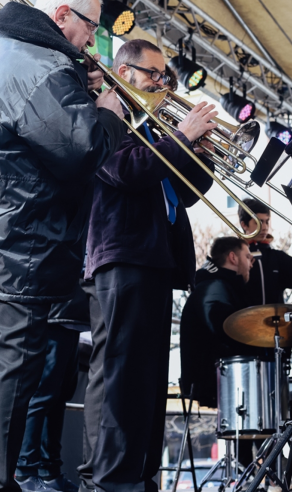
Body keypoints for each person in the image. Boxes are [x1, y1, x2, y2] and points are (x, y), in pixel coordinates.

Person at [0, 0, 125, 492]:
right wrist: (109, 115)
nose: (93, 40)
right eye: (91, 27)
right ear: (64, 16)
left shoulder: (7, 48)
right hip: (15, 244)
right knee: (11, 373)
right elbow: (82, 150)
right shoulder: (42, 65)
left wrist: (78, 91)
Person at [79, 38, 218, 492]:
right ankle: (107, 479)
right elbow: (125, 171)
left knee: (150, 378)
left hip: (155, 259)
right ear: (125, 70)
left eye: (164, 74)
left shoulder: (152, 125)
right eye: (153, 72)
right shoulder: (107, 110)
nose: (162, 81)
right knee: (118, 373)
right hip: (122, 255)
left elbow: (191, 189)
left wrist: (199, 150)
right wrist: (182, 138)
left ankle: (141, 473)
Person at [15, 280, 90, 492]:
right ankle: (25, 474)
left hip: (71, 316)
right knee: (42, 395)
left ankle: (49, 473)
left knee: (58, 397)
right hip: (55, 311)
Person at [180, 236, 255, 409]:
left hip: (221, 378)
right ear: (233, 258)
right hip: (217, 380)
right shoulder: (215, 287)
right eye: (247, 256)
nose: (251, 263)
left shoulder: (218, 285)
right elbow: (226, 330)